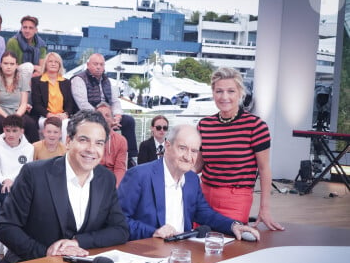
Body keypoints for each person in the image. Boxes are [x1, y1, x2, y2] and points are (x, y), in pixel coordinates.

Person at [0, 110, 129, 263]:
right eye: (84, 140)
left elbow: (120, 230)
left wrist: (78, 242)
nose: (91, 149)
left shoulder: (106, 179)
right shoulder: (33, 173)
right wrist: (46, 253)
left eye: (99, 143)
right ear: (68, 141)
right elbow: (4, 226)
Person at [118, 124, 260, 241]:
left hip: (182, 253)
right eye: (182, 148)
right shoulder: (138, 175)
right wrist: (154, 232)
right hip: (146, 253)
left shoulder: (192, 179)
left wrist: (233, 225)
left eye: (194, 151)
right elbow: (118, 219)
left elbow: (205, 213)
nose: (188, 157)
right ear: (167, 146)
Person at [195, 67, 284, 230]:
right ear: (213, 93)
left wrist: (264, 209)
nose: (224, 97)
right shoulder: (204, 125)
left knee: (228, 246)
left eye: (231, 91)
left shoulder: (256, 126)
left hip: (236, 200)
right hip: (203, 197)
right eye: (219, 91)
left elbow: (264, 170)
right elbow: (198, 166)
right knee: (197, 242)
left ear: (240, 93)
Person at [71, 53, 138, 165]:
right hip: (87, 116)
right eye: (95, 64)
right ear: (88, 65)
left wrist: (116, 117)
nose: (98, 67)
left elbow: (115, 101)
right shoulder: (79, 79)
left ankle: (130, 157)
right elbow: (82, 104)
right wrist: (103, 118)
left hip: (107, 116)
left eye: (101, 64)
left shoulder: (107, 81)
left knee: (128, 121)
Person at [0, 51, 38, 142]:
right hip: (1, 112)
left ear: (16, 65)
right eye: (6, 63)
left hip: (18, 113)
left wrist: (16, 116)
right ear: (1, 64)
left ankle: (34, 152)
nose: (9, 66)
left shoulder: (22, 79)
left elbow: (23, 104)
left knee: (31, 123)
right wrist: (6, 116)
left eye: (12, 64)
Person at [0, 114, 34, 204]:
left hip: (18, 183)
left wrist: (13, 181)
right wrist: (5, 180)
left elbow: (25, 173)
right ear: (3, 130)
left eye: (14, 131)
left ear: (22, 131)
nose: (10, 134)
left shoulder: (29, 148)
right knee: (8, 192)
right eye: (7, 130)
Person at [30, 52, 75, 142]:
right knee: (49, 125)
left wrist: (65, 114)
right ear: (46, 64)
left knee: (66, 124)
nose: (53, 64)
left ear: (60, 65)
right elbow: (37, 104)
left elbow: (70, 103)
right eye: (50, 61)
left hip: (62, 116)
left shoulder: (66, 82)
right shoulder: (37, 81)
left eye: (56, 62)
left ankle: (63, 151)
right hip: (44, 116)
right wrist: (49, 115)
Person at [96, 103, 127, 187]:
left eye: (107, 115)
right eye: (100, 115)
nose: (103, 118)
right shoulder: (88, 138)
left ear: (113, 120)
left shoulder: (121, 140)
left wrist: (115, 187)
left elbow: (120, 169)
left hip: (112, 179)